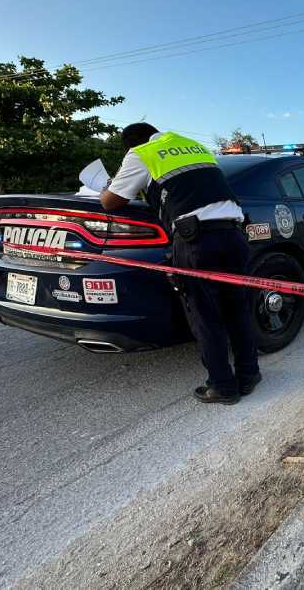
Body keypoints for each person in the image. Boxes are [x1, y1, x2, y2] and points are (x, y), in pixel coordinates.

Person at [100, 123, 260, 405]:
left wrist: (106, 186)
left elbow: (111, 202)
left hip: (197, 240)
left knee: (205, 316)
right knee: (237, 308)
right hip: (235, 235)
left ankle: (222, 386)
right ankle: (249, 375)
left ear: (131, 143)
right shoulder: (196, 148)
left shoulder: (142, 152)